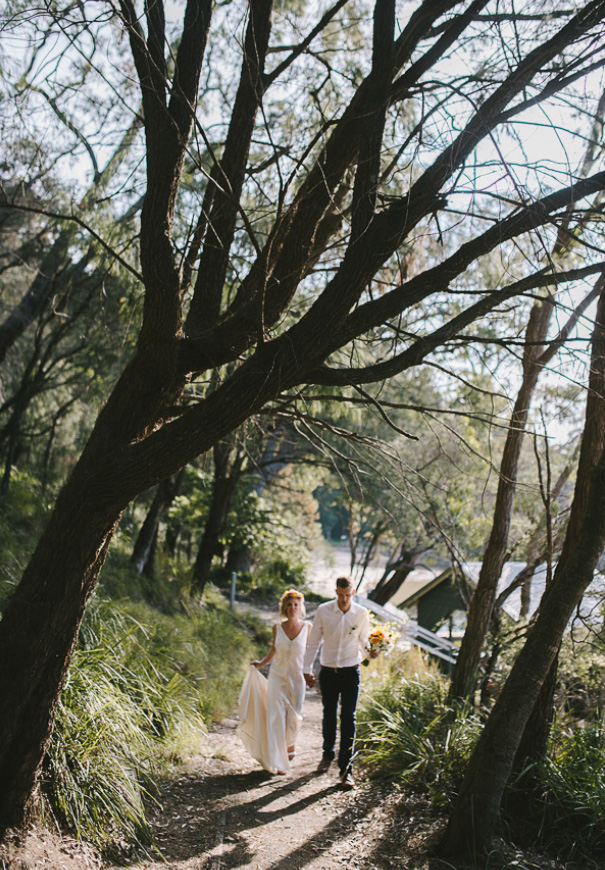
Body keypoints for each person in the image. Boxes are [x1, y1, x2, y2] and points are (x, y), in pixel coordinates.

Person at [303, 576, 375, 790]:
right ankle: (327, 754)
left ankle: (346, 769)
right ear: (336, 592)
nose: (344, 599)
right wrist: (306, 669)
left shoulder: (361, 613)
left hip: (351, 671)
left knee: (349, 718)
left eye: (347, 595)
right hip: (328, 671)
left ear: (353, 593)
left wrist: (371, 653)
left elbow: (363, 640)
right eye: (341, 595)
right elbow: (314, 642)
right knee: (329, 714)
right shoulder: (324, 611)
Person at [237, 589, 311, 775]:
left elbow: (311, 652)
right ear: (284, 608)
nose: (292, 608)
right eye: (289, 605)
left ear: (300, 607)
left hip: (296, 679)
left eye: (295, 605)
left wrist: (309, 673)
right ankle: (278, 761)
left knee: (294, 716)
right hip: (277, 677)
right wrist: (261, 663)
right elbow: (273, 650)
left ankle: (290, 742)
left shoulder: (308, 628)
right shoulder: (277, 627)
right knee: (276, 716)